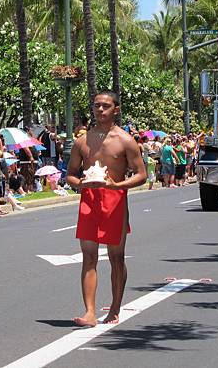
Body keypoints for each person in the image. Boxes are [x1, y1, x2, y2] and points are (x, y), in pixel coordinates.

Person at [67, 90, 147, 327]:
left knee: (116, 257)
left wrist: (118, 185)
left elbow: (142, 175)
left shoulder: (125, 140)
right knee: (89, 256)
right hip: (89, 201)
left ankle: (114, 307)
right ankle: (90, 312)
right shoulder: (82, 141)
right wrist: (80, 184)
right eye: (96, 106)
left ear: (116, 110)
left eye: (105, 106)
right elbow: (70, 175)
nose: (100, 110)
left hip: (115, 201)